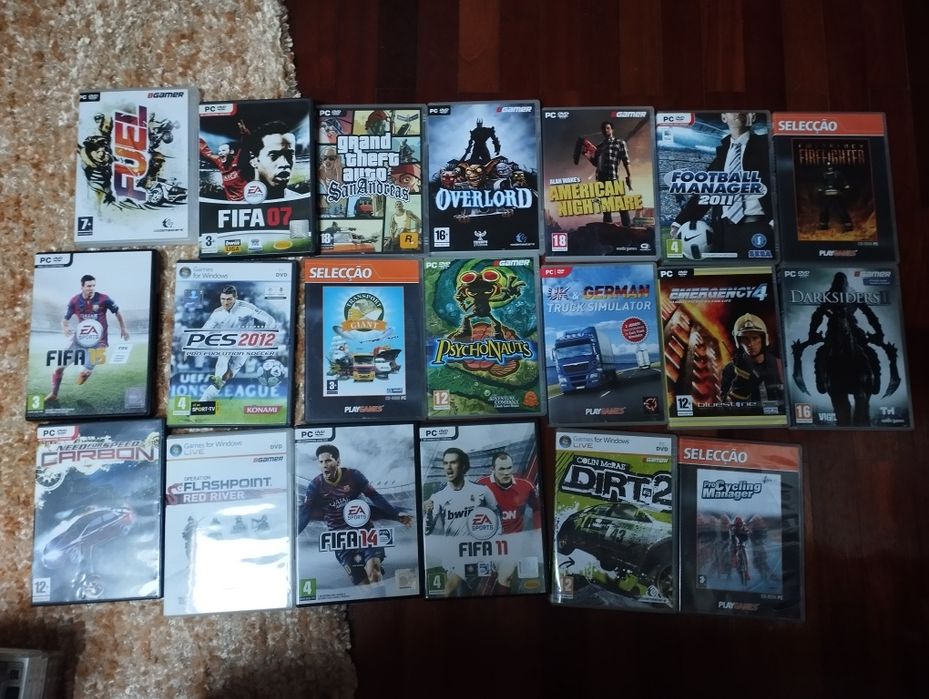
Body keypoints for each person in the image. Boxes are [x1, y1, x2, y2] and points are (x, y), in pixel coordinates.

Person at [297, 444, 412, 585]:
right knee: (364, 587)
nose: (324, 465)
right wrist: (293, 534)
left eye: (328, 461)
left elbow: (374, 496)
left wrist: (395, 514)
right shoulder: (315, 485)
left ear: (338, 461)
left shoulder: (353, 476)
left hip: (364, 534)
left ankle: (376, 572)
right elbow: (305, 512)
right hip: (341, 540)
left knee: (374, 575)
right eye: (321, 462)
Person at [671, 112, 773, 256]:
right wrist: (680, 222)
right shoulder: (722, 154)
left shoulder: (767, 146)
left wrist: (777, 220)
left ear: (753, 117)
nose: (739, 112)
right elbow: (706, 191)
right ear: (724, 118)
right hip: (725, 231)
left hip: (759, 227)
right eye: (733, 110)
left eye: (744, 110)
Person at [424, 447, 500, 595]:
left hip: (475, 551)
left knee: (449, 589)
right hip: (452, 554)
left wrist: (496, 545)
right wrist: (429, 513)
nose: (448, 467)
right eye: (445, 463)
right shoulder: (438, 497)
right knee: (462, 593)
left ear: (463, 466)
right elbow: (427, 530)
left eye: (453, 463)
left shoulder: (482, 491)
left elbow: (497, 516)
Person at [46, 274, 130, 402]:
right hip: (79, 340)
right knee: (58, 368)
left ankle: (85, 372)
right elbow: (65, 320)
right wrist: (65, 327)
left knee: (83, 374)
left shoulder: (104, 299)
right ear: (82, 286)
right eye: (89, 286)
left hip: (99, 343)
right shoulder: (74, 301)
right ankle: (54, 394)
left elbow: (117, 312)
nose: (92, 288)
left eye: (93, 286)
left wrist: (123, 328)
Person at [197, 285, 278, 401]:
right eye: (223, 299)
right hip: (227, 341)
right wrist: (193, 346)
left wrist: (265, 336)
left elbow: (270, 320)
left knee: (228, 376)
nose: (225, 302)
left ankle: (209, 394)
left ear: (236, 298)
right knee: (223, 356)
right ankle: (214, 384)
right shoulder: (217, 313)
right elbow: (204, 331)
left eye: (229, 299)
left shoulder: (247, 308)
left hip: (245, 344)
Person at [720, 313, 784, 405]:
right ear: (739, 341)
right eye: (745, 339)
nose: (750, 344)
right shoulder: (730, 369)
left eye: (755, 338)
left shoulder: (780, 366)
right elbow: (725, 407)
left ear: (763, 339)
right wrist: (740, 384)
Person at [476, 452, 540, 534]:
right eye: (502, 469)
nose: (506, 473)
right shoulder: (480, 485)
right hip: (490, 537)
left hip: (516, 537)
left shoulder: (526, 485)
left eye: (509, 468)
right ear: (493, 469)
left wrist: (538, 531)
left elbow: (538, 508)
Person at [246, 121, 298, 200]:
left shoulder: (299, 201)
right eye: (274, 156)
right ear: (253, 159)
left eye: (289, 155)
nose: (284, 164)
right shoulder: (240, 204)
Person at [593, 121, 632, 225]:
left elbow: (626, 160)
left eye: (608, 128)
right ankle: (608, 230)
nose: (606, 130)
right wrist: (588, 156)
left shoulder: (619, 143)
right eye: (604, 129)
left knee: (622, 205)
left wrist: (629, 175)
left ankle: (627, 227)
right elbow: (596, 163)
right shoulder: (599, 146)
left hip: (613, 178)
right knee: (606, 209)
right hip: (601, 180)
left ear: (612, 130)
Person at [199, 135, 248, 201]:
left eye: (223, 150)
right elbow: (206, 152)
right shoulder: (219, 161)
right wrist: (197, 139)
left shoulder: (238, 160)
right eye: (219, 151)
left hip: (244, 198)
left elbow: (244, 147)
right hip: (230, 200)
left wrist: (244, 134)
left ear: (231, 152)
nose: (220, 153)